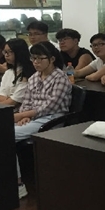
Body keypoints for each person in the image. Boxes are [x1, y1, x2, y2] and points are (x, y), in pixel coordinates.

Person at [14, 42, 72, 198]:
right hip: (33, 118)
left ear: (52, 59)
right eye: (33, 58)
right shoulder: (34, 77)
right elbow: (27, 101)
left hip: (52, 119)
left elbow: (50, 107)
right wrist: (24, 115)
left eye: (40, 58)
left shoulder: (60, 78)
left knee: (6, 135)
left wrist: (21, 116)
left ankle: (18, 184)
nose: (36, 62)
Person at [0, 39, 33, 108]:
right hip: (4, 108)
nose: (6, 55)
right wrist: (9, 99)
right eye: (5, 52)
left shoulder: (28, 73)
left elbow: (15, 101)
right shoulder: (8, 72)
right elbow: (0, 97)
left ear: (19, 52)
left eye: (10, 52)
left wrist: (9, 100)